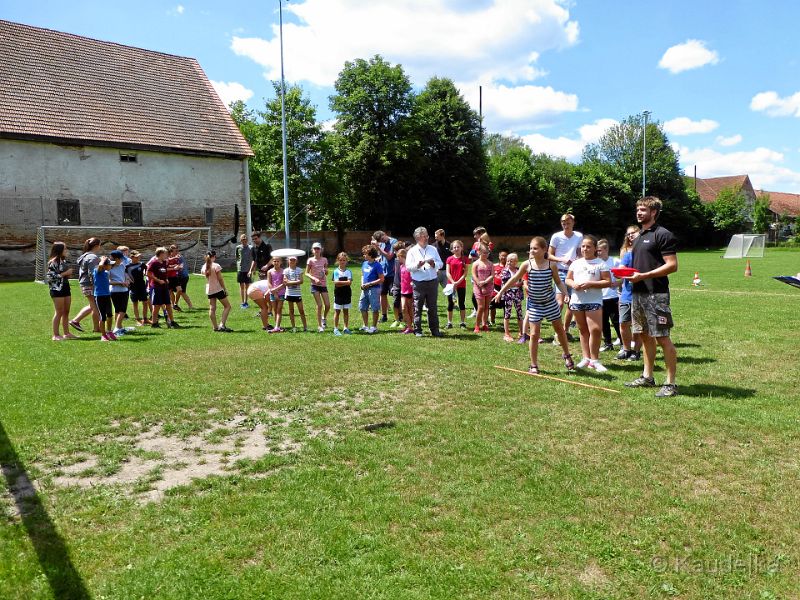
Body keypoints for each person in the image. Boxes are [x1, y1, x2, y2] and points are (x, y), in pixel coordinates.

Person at [623, 197, 679, 397]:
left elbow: (672, 265)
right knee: (645, 336)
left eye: (643, 209)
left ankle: (671, 383)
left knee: (662, 338)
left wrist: (644, 276)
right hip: (638, 294)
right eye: (638, 209)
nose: (639, 212)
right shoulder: (638, 237)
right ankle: (647, 377)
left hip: (656, 295)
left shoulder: (662, 234)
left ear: (653, 212)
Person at [494, 237, 574, 374]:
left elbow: (559, 282)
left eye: (535, 248)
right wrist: (501, 292)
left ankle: (566, 355)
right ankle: (533, 365)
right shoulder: (527, 264)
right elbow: (514, 279)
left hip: (550, 303)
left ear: (544, 249)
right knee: (534, 334)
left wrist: (566, 293)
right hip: (535, 304)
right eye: (531, 248)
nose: (532, 250)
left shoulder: (551, 265)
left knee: (560, 330)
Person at [566, 235, 611, 372]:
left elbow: (607, 281)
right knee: (583, 330)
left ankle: (595, 360)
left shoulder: (600, 263)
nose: (585, 249)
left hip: (594, 300)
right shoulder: (576, 263)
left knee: (596, 330)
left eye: (588, 246)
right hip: (577, 301)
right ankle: (586, 358)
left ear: (595, 248)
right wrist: (573, 284)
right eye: (583, 246)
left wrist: (590, 284)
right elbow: (568, 279)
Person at [549, 213, 583, 342]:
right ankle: (557, 331)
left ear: (573, 223)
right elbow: (549, 255)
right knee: (559, 302)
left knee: (571, 303)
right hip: (560, 271)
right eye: (563, 222)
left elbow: (580, 253)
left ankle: (565, 330)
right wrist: (561, 259)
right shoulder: (556, 237)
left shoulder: (578, 236)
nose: (565, 225)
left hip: (574, 272)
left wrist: (578, 262)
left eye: (568, 222)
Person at [405, 227, 443, 337]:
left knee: (433, 307)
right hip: (419, 282)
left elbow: (440, 263)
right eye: (424, 236)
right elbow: (408, 267)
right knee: (418, 306)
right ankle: (418, 329)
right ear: (417, 237)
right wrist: (417, 265)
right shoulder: (412, 251)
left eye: (427, 235)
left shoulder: (433, 249)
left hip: (432, 281)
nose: (427, 237)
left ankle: (434, 330)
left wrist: (434, 264)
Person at [616, 225, 642, 361]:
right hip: (626, 294)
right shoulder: (627, 255)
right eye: (629, 234)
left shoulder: (645, 254)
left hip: (641, 294)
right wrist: (622, 272)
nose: (631, 236)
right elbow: (621, 271)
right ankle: (626, 349)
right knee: (623, 323)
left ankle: (636, 352)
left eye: (633, 233)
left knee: (638, 326)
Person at [69, 237, 102, 333]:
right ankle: (96, 328)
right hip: (90, 284)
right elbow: (93, 272)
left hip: (85, 283)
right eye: (100, 245)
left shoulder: (86, 256)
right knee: (95, 306)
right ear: (96, 246)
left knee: (93, 305)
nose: (100, 247)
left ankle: (76, 321)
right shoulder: (92, 257)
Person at [46, 241, 77, 341]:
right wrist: (65, 273)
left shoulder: (63, 261)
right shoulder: (53, 262)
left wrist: (68, 275)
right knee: (59, 312)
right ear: (59, 250)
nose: (66, 251)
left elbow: (62, 274)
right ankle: (55, 335)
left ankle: (67, 333)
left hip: (66, 287)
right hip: (56, 289)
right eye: (65, 249)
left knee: (66, 312)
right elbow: (50, 277)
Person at [597, 239, 623, 352]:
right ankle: (608, 343)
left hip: (612, 296)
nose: (598, 253)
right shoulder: (596, 262)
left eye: (600, 250)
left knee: (616, 321)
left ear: (606, 249)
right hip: (599, 297)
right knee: (603, 322)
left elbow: (624, 276)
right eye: (597, 251)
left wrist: (617, 283)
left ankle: (623, 342)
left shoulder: (615, 261)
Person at [201, 250, 232, 332]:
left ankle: (215, 327)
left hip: (210, 290)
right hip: (218, 289)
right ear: (214, 257)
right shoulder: (216, 266)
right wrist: (224, 289)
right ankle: (222, 324)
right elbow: (220, 279)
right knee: (228, 306)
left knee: (212, 308)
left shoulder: (204, 267)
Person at [147, 247, 176, 329]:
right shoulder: (154, 263)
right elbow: (148, 273)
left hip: (164, 286)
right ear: (160, 254)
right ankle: (154, 323)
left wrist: (166, 279)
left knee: (168, 304)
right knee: (157, 305)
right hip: (157, 287)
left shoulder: (164, 262)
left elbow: (164, 272)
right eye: (165, 253)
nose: (166, 255)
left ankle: (172, 322)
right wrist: (158, 280)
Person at [372, 230, 397, 323]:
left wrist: (378, 248)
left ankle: (398, 316)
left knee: (395, 294)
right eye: (380, 241)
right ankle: (384, 316)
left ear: (385, 234)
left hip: (392, 273)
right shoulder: (381, 244)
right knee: (382, 294)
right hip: (383, 273)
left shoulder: (394, 242)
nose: (383, 241)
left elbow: (390, 256)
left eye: (383, 239)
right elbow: (380, 256)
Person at [499, 253, 524, 343]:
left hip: (517, 294)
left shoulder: (519, 270)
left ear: (516, 262)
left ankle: (521, 332)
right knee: (507, 313)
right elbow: (505, 283)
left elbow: (523, 280)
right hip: (508, 294)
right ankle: (507, 333)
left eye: (511, 261)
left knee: (520, 313)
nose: (509, 262)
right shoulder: (505, 271)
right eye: (508, 260)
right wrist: (517, 284)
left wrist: (520, 284)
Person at [359, 245, 384, 334]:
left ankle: (374, 327)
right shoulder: (364, 263)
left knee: (374, 308)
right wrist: (362, 284)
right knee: (362, 307)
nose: (364, 256)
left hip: (374, 289)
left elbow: (381, 279)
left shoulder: (377, 265)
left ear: (371, 255)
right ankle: (365, 326)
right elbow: (363, 275)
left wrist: (369, 284)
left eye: (365, 254)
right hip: (364, 289)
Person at [306, 242, 330, 332]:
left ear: (321, 250)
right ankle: (319, 326)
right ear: (312, 250)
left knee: (327, 305)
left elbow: (326, 272)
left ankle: (324, 318)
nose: (316, 250)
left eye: (318, 249)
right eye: (315, 249)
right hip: (315, 285)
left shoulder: (324, 259)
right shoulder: (310, 260)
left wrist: (326, 271)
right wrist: (314, 278)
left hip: (323, 285)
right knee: (319, 305)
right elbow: (306, 273)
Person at [445, 240, 469, 329]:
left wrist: (458, 282)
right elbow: (447, 272)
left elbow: (465, 273)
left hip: (461, 284)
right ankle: (449, 322)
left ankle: (462, 323)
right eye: (454, 247)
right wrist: (453, 282)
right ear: (452, 249)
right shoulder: (449, 259)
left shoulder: (465, 259)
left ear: (461, 248)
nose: (456, 248)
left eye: (458, 247)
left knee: (461, 303)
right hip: (450, 284)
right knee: (450, 303)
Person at [471, 243, 494, 333]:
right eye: (483, 252)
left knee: (486, 307)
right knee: (480, 307)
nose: (485, 254)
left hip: (488, 286)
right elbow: (474, 275)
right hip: (478, 286)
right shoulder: (476, 263)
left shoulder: (490, 264)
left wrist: (485, 282)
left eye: (487, 252)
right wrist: (480, 283)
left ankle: (485, 324)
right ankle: (477, 325)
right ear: (479, 252)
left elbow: (492, 275)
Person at [108, 249, 130, 337]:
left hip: (124, 290)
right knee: (122, 310)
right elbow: (108, 281)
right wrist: (120, 283)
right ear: (116, 259)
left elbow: (125, 275)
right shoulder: (109, 267)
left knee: (119, 310)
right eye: (120, 258)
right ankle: (117, 328)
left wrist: (127, 281)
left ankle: (119, 327)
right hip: (115, 291)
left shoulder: (122, 265)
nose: (122, 260)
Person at [93, 256, 115, 341]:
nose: (111, 266)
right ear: (105, 265)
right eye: (110, 265)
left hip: (107, 295)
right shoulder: (97, 271)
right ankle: (103, 335)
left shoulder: (106, 273)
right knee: (103, 316)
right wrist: (102, 260)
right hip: (99, 296)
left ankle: (109, 331)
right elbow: (100, 266)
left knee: (109, 315)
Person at [283, 255, 307, 332]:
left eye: (294, 260)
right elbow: (285, 282)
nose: (292, 261)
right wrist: (296, 282)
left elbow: (301, 281)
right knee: (291, 310)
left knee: (301, 310)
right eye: (291, 260)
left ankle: (305, 327)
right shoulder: (286, 270)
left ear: (296, 261)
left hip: (297, 294)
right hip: (289, 293)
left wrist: (291, 282)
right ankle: (293, 327)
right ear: (288, 261)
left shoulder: (299, 270)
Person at [331, 251, 353, 335]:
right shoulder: (336, 271)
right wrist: (345, 282)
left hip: (347, 293)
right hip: (338, 294)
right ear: (338, 261)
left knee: (346, 311)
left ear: (346, 261)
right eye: (341, 260)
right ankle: (335, 328)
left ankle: (345, 328)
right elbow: (336, 283)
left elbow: (349, 283)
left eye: (344, 260)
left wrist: (341, 282)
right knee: (337, 311)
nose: (342, 262)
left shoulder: (349, 271)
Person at [126, 251, 150, 325]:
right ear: (131, 257)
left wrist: (146, 274)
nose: (138, 258)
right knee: (135, 303)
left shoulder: (142, 264)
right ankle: (138, 319)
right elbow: (125, 275)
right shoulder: (127, 266)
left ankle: (145, 319)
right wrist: (128, 280)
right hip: (133, 287)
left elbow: (148, 269)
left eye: (139, 257)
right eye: (136, 257)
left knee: (145, 302)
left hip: (142, 286)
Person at [396, 248, 415, 334]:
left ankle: (411, 327)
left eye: (398, 257)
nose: (397, 259)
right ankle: (409, 326)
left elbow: (414, 277)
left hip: (410, 291)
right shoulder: (401, 266)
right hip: (403, 290)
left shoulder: (409, 266)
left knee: (410, 309)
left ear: (401, 256)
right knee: (403, 308)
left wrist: (412, 283)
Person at [389, 240, 406, 328]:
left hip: (405, 286)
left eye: (396, 251)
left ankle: (403, 320)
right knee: (395, 303)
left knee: (404, 305)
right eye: (395, 251)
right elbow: (395, 272)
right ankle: (396, 320)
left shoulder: (407, 261)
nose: (395, 253)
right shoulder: (395, 260)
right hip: (396, 285)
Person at [170, 245, 193, 311]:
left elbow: (181, 267)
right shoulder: (172, 257)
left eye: (178, 250)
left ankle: (189, 306)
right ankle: (174, 305)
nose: (177, 252)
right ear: (171, 251)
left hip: (182, 277)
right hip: (177, 277)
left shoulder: (179, 257)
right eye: (176, 251)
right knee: (171, 290)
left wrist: (174, 268)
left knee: (181, 291)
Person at [267, 256, 286, 332]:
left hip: (281, 293)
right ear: (272, 262)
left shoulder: (283, 271)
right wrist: (274, 292)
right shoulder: (269, 271)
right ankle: (277, 326)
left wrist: (276, 290)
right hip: (272, 293)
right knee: (275, 310)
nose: (276, 262)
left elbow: (284, 283)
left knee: (279, 309)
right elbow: (269, 282)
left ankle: (277, 327)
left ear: (280, 262)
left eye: (278, 261)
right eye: (274, 261)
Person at [490, 250, 508, 326]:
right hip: (495, 290)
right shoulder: (494, 266)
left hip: (506, 290)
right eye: (502, 255)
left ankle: (505, 322)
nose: (503, 257)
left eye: (505, 256)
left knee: (506, 307)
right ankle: (492, 321)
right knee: (492, 306)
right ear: (499, 256)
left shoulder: (509, 267)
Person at [235, 234, 254, 308]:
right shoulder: (238, 248)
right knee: (241, 286)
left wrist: (252, 269)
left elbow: (253, 259)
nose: (244, 240)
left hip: (248, 270)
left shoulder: (251, 248)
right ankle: (242, 302)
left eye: (245, 239)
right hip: (240, 269)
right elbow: (237, 257)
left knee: (247, 286)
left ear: (247, 240)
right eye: (243, 239)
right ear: (240, 240)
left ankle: (246, 302)